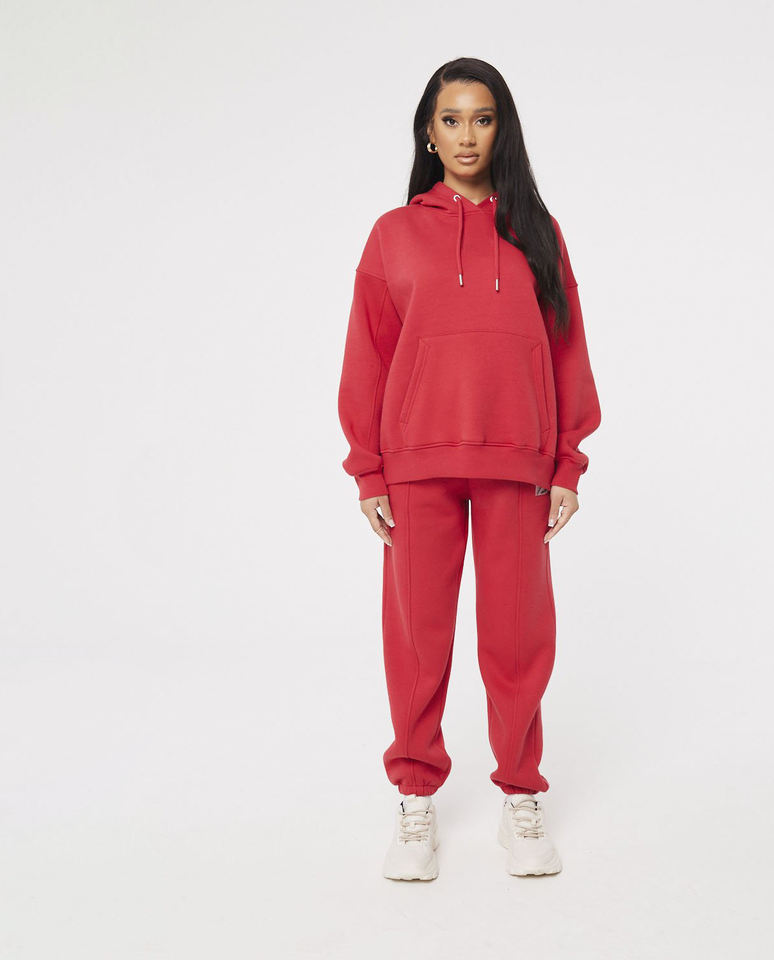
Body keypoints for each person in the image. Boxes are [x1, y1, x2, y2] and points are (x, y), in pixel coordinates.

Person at [337, 58, 602, 880]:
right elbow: (368, 354)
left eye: (481, 119)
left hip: (517, 460)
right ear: (428, 131)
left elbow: (567, 350)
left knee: (517, 637)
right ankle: (416, 797)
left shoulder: (537, 230)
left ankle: (521, 793)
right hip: (416, 464)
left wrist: (568, 461)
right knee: (418, 640)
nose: (465, 136)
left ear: (501, 129)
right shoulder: (393, 233)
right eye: (450, 120)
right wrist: (368, 470)